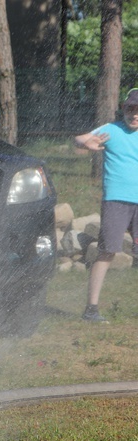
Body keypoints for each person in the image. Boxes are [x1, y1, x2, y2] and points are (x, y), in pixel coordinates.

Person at [74, 89, 138, 323]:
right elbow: (79, 138)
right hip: (116, 200)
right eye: (131, 109)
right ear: (124, 109)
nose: (135, 115)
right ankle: (91, 309)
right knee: (107, 251)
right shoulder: (111, 130)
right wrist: (86, 142)